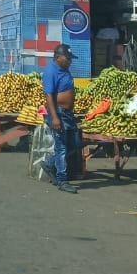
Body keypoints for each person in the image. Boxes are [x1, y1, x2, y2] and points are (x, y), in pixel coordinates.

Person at [42, 43, 81, 194]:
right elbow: (49, 96)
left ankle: (50, 164)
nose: (70, 61)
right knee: (61, 147)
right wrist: (55, 118)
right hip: (58, 113)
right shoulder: (51, 71)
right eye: (68, 58)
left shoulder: (65, 70)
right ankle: (62, 180)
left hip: (67, 114)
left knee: (74, 144)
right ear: (58, 57)